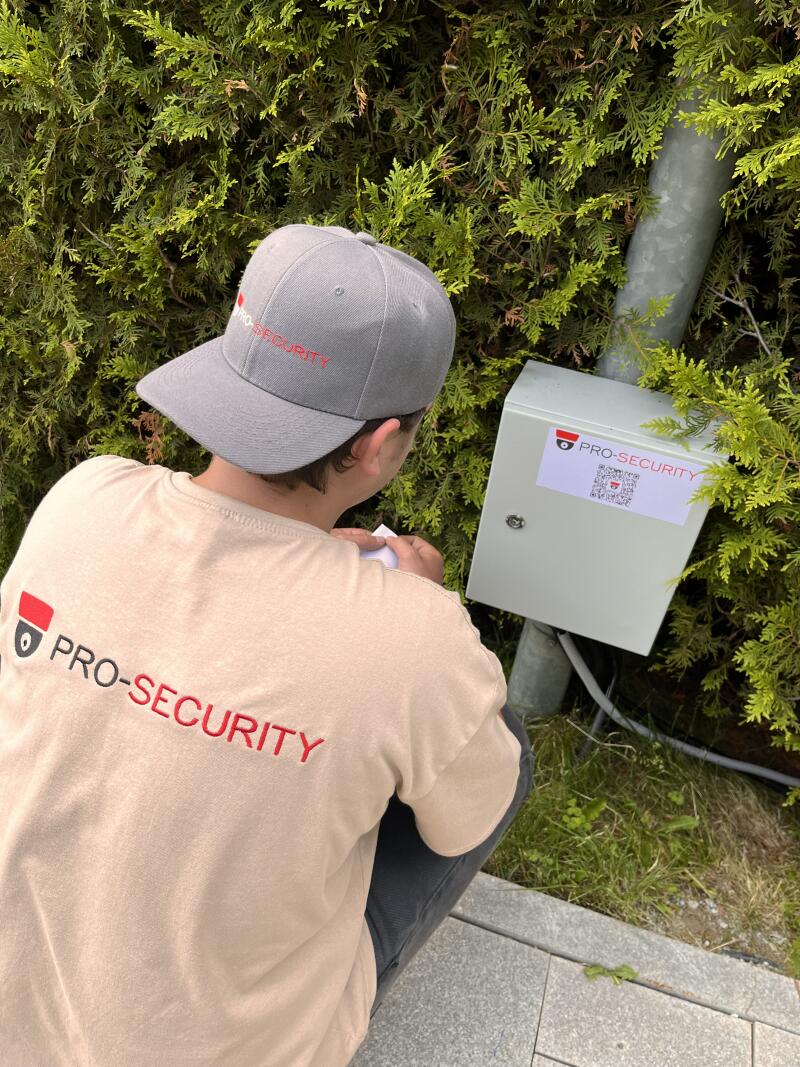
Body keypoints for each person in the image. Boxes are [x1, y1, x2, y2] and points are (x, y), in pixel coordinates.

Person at [0, 223, 533, 1067]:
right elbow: (466, 816)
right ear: (379, 443)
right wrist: (410, 619)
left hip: (14, 1010)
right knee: (495, 748)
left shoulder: (84, 498)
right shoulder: (415, 639)